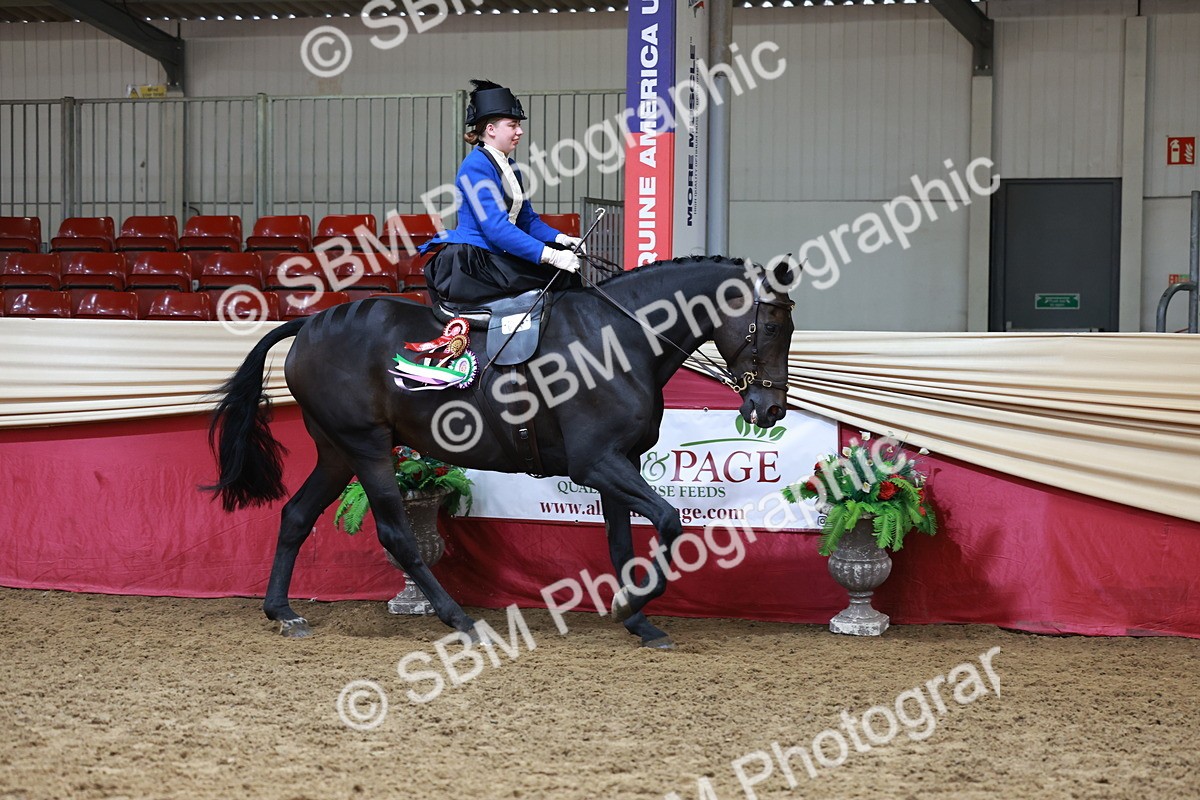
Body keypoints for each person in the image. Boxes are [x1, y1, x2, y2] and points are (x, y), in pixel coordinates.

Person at [422, 79, 586, 306]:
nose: (520, 131)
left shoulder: (512, 167)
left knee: (563, 267)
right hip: (475, 262)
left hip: (496, 254)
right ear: (491, 129)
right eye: (513, 125)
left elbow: (527, 220)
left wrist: (561, 239)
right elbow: (496, 228)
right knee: (558, 272)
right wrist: (551, 255)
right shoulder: (475, 166)